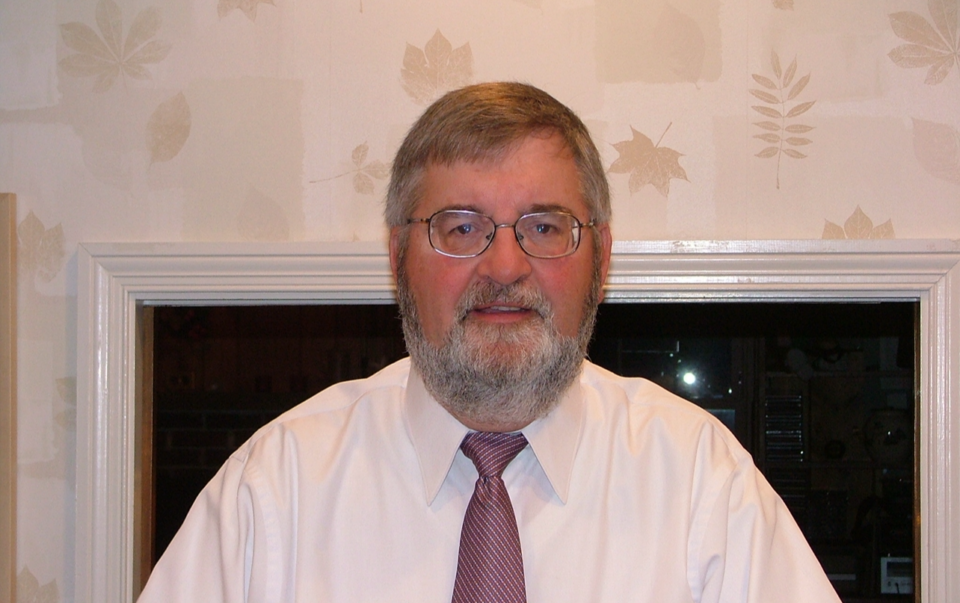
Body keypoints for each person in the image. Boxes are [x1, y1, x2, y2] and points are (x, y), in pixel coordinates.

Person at [137, 82, 841, 602]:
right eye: (462, 227)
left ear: (601, 260)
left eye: (544, 227)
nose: (505, 267)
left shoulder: (700, 484)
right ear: (397, 258)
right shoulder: (273, 489)